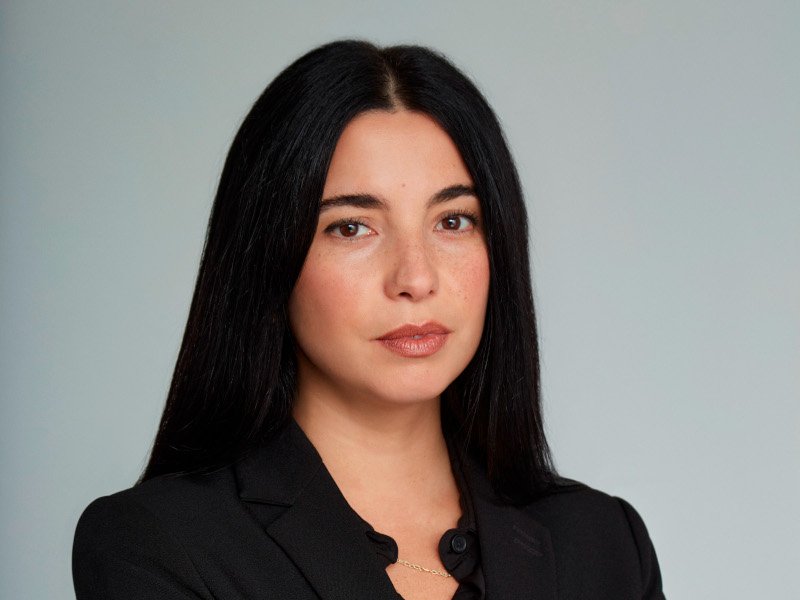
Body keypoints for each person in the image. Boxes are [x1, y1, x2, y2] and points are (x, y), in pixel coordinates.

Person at [72, 40, 665, 600]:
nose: (415, 277)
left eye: (453, 221)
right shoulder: (157, 545)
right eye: (351, 227)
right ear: (270, 257)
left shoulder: (604, 544)